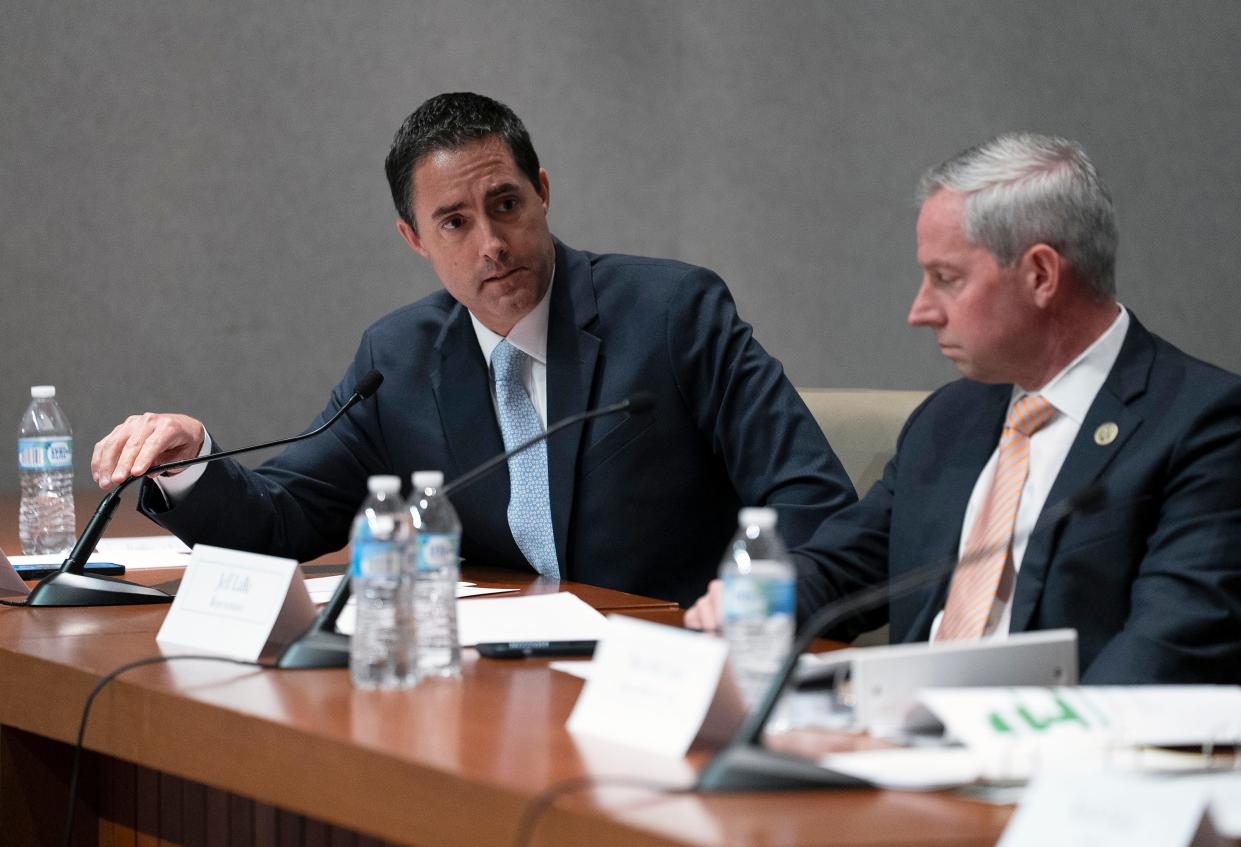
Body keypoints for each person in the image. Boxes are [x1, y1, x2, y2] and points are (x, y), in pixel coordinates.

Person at [90, 92, 856, 606]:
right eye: (454, 222)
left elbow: (812, 502)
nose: (491, 243)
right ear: (414, 238)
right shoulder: (400, 358)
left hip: (668, 667)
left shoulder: (670, 313)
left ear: (543, 193)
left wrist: (745, 607)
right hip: (501, 689)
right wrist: (191, 461)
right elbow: (282, 519)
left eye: (506, 205)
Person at [687, 132, 1241, 683]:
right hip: (903, 733)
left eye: (945, 279)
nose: (920, 311)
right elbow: (842, 568)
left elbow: (1169, 645)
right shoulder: (951, 418)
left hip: (1060, 747)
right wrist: (754, 604)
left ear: (1041, 275)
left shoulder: (1204, 424)